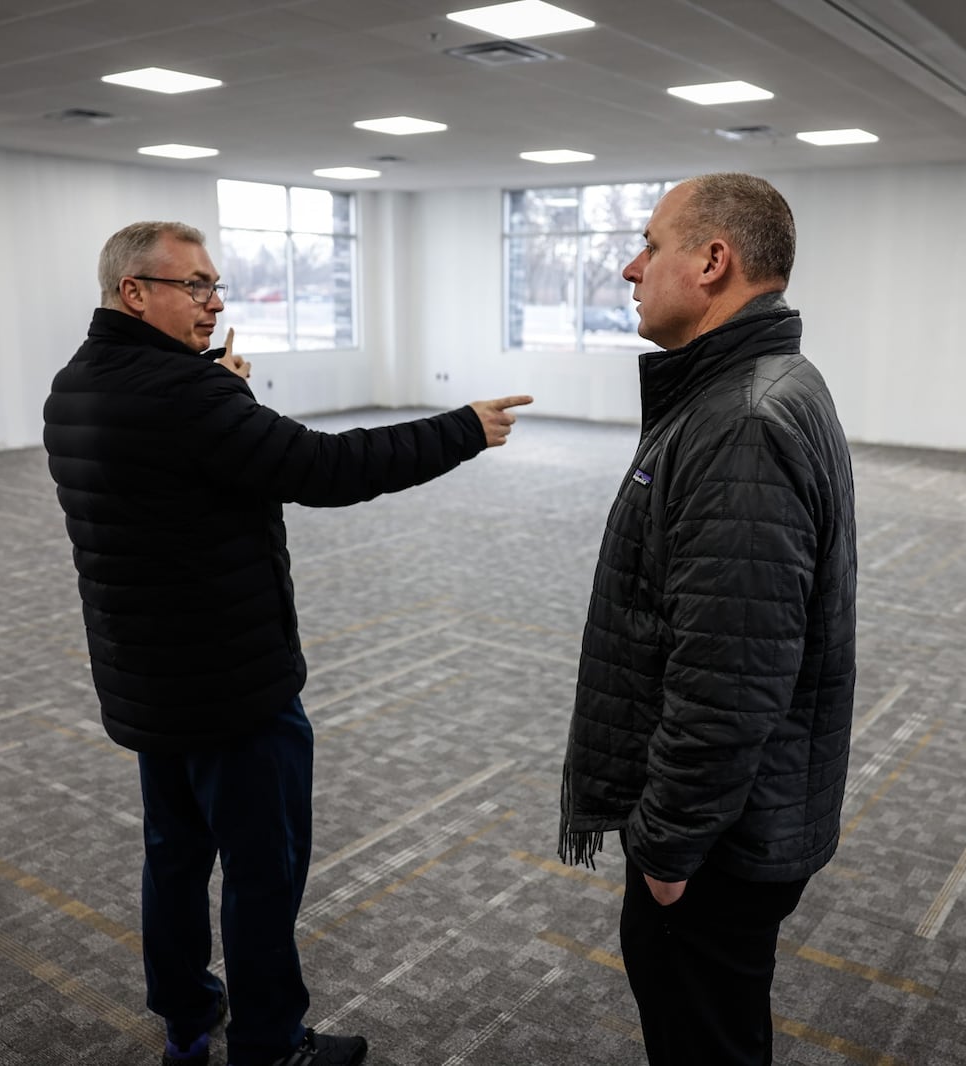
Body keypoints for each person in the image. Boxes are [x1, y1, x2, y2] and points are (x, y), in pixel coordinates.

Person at [43, 220, 531, 1066]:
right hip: (233, 686)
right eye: (193, 285)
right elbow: (324, 469)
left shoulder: (78, 386)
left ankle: (187, 1017)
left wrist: (217, 389)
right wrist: (462, 429)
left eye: (215, 284)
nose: (214, 301)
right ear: (135, 292)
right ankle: (271, 1044)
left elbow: (174, 472)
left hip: (150, 679)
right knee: (263, 872)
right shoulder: (191, 398)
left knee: (174, 854)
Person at [558, 173, 857, 1065]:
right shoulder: (750, 391)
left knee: (705, 1040)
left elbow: (730, 677)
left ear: (714, 261)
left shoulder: (742, 423)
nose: (628, 267)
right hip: (742, 819)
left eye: (651, 245)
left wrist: (666, 851)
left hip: (720, 840)